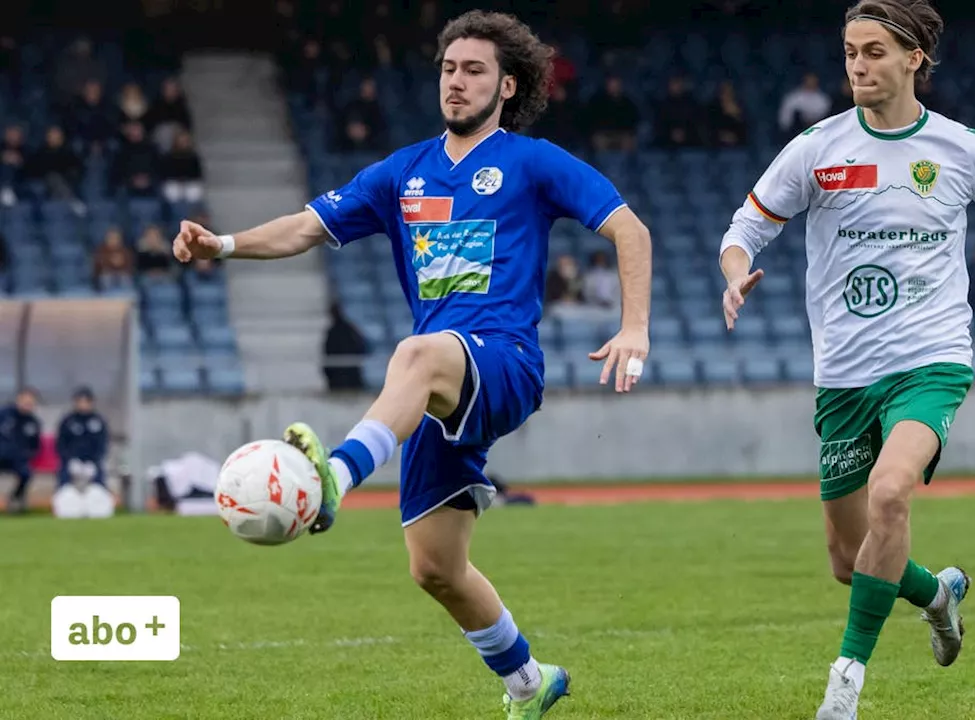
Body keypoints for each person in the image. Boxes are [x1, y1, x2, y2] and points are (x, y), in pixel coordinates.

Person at [170, 11, 652, 719]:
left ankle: (330, 477)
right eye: (448, 69)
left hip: (505, 363)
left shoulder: (533, 161)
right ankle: (530, 683)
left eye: (474, 70)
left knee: (416, 352)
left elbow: (628, 227)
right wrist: (224, 243)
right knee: (435, 567)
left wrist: (633, 326)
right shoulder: (403, 172)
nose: (456, 82)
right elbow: (306, 225)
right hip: (435, 387)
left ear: (508, 85)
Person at [717, 2, 975, 717]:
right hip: (842, 375)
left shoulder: (963, 149)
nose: (859, 66)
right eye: (849, 53)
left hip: (930, 363)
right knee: (849, 562)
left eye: (874, 52)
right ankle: (938, 594)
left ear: (913, 60)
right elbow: (745, 225)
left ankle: (845, 682)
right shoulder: (817, 147)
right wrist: (734, 269)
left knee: (891, 493)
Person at [55, 387, 109, 489]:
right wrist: (70, 460)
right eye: (80, 401)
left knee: (99, 481)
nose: (83, 404)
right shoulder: (68, 421)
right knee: (64, 478)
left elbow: (102, 445)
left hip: (93, 462)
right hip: (71, 461)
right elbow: (61, 444)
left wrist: (94, 461)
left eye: (86, 401)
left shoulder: (99, 421)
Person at [0, 387, 42, 513]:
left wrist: (26, 454)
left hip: (17, 460)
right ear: (18, 400)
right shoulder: (4, 415)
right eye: (24, 401)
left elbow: (35, 445)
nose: (27, 404)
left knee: (26, 473)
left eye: (30, 402)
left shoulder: (33, 422)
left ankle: (14, 500)